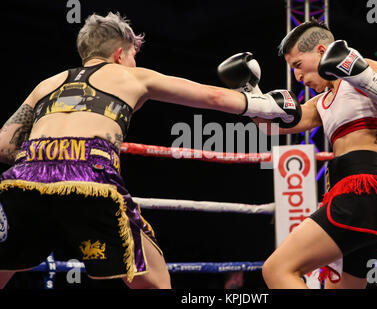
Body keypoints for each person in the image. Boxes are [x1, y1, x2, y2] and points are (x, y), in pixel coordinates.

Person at [0, 12, 301, 289]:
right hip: (88, 176)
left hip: (23, 176)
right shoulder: (132, 76)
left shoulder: (47, 84)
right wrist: (267, 105)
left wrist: (47, 160)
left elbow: (4, 145)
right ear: (120, 54)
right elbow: (210, 96)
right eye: (133, 55)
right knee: (155, 282)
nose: (134, 62)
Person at [240, 19, 377, 289]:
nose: (297, 77)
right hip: (350, 196)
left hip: (363, 193)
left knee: (277, 268)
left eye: (298, 66)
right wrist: (249, 92)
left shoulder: (366, 70)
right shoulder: (322, 100)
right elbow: (273, 128)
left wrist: (359, 73)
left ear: (321, 50)